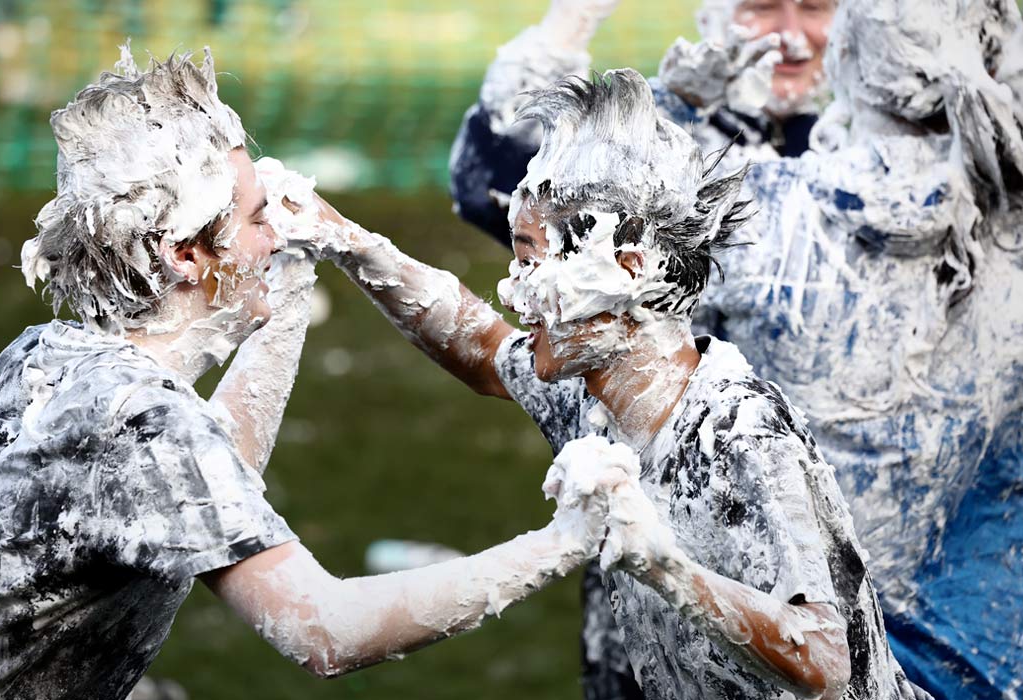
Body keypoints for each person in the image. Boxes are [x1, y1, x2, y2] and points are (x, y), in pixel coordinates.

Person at [0, 47, 626, 699]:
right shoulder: (142, 423)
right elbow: (326, 631)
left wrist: (284, 289)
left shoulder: (44, 355)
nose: (276, 229)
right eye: (259, 218)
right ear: (187, 256)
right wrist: (564, 541)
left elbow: (213, 482)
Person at [300, 67, 926, 700]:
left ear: (627, 267)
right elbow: (484, 350)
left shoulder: (739, 430)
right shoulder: (595, 397)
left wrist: (664, 566)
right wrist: (345, 240)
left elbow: (823, 656)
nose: (511, 288)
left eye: (528, 257)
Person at [690, 1, 1023, 696]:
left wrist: (681, 102)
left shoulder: (752, 209)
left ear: (843, 61)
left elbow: (560, 217)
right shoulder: (1010, 225)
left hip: (786, 661)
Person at [449, 0, 835, 247]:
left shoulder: (859, 146)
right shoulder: (655, 139)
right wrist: (574, 17)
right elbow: (487, 186)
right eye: (762, 6)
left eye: (814, 7)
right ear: (710, 19)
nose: (791, 35)